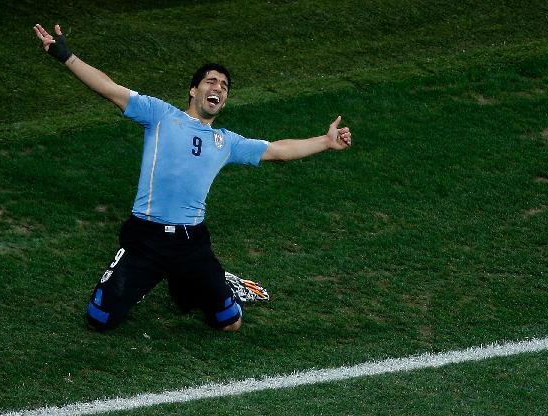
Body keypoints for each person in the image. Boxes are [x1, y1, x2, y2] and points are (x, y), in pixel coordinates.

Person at [33, 24, 352, 332]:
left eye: (224, 87)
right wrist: (66, 56)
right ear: (193, 89)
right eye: (211, 82)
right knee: (98, 319)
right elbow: (109, 88)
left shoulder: (226, 142)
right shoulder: (159, 115)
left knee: (229, 323)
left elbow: (278, 150)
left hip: (190, 244)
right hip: (145, 240)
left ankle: (220, 283)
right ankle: (176, 281)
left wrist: (325, 142)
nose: (218, 88)